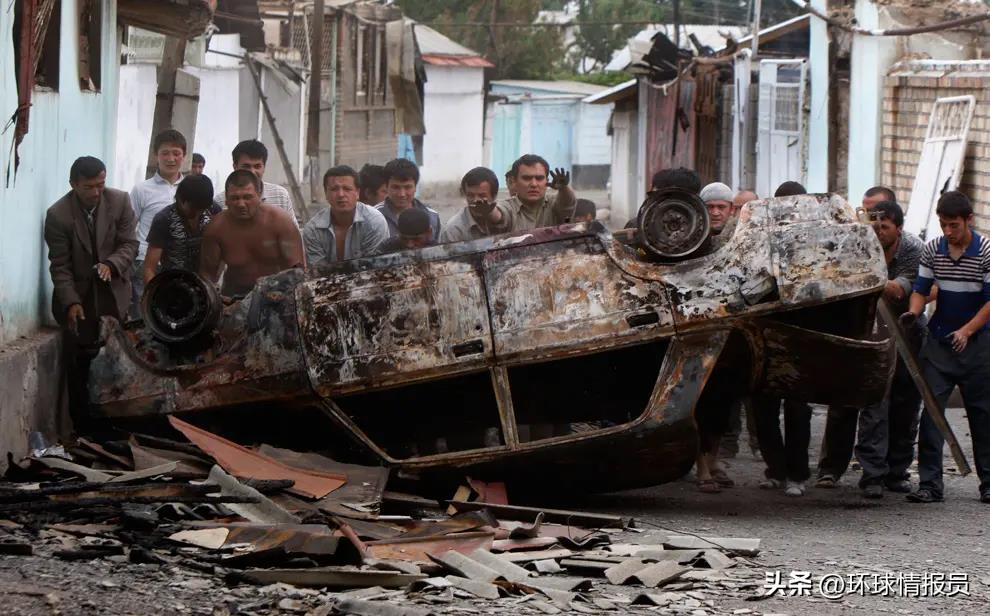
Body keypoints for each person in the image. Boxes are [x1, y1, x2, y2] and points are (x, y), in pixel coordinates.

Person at [816, 187, 913, 491]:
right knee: (845, 401)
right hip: (858, 330)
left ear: (898, 228)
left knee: (900, 407)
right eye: (874, 225)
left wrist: (866, 274)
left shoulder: (912, 250)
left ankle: (891, 473)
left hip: (903, 336)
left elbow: (900, 291)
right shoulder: (855, 244)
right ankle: (832, 469)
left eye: (885, 227)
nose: (878, 232)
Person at [902, 191, 990, 504]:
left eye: (954, 225)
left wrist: (966, 331)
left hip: (979, 346)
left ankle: (988, 483)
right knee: (932, 415)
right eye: (943, 225)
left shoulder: (986, 251)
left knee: (983, 416)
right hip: (939, 345)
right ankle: (930, 485)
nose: (948, 232)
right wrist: (913, 313)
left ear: (969, 220)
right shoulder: (933, 250)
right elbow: (921, 289)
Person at [44, 156, 138, 426]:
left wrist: (112, 264)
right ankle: (82, 428)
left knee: (118, 361)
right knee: (80, 366)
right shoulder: (58, 215)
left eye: (101, 184)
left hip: (114, 296)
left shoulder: (120, 201)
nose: (97, 192)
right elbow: (60, 266)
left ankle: (119, 424)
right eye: (89, 187)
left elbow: (130, 244)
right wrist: (71, 302)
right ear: (74, 184)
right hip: (79, 300)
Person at [199, 170, 305, 297]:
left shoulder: (280, 222)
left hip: (277, 296)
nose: (241, 204)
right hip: (234, 297)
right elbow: (207, 276)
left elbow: (298, 272)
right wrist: (217, 301)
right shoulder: (216, 228)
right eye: (235, 198)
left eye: (247, 197)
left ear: (259, 196)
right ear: (226, 200)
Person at [130, 129, 186, 317]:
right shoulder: (142, 190)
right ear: (156, 156)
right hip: (144, 260)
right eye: (165, 153)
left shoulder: (190, 189)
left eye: (176, 153)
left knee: (173, 316)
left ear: (184, 156)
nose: (171, 159)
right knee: (142, 313)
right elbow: (129, 226)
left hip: (180, 263)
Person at [303, 165, 389, 266]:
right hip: (326, 281)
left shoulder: (374, 222)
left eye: (347, 189)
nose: (341, 194)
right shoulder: (313, 229)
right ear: (326, 193)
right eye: (334, 189)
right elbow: (318, 272)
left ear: (357, 193)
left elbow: (374, 268)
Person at [143, 174, 221, 284]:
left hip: (206, 284)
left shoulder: (213, 211)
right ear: (180, 198)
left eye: (199, 209)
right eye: (190, 207)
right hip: (174, 285)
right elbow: (149, 267)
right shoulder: (164, 219)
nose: (195, 214)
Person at [215, 139, 297, 226]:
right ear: (235, 167)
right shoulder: (220, 201)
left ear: (264, 167)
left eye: (257, 166)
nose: (252, 172)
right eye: (246, 166)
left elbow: (293, 233)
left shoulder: (281, 196)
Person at [500, 154, 576, 232]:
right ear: (515, 181)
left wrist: (564, 187)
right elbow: (499, 215)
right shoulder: (508, 207)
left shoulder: (554, 203)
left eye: (539, 178)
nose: (534, 184)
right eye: (526, 178)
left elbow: (568, 204)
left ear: (547, 181)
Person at [440, 167, 511, 243]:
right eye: (470, 195)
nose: (475, 200)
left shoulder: (507, 217)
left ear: (494, 196)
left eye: (482, 196)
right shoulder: (454, 230)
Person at [377, 158, 441, 241]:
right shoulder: (373, 218)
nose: (402, 194)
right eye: (396, 187)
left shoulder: (432, 217)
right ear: (386, 187)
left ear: (415, 187)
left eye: (407, 187)